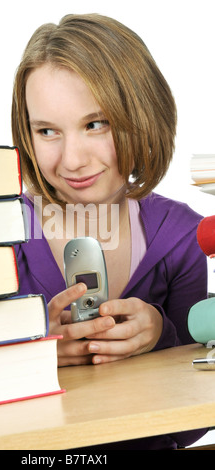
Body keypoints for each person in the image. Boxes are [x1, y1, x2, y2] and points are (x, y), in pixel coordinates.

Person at [11, 13, 208, 450]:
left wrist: (161, 335)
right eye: (47, 131)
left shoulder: (181, 237)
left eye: (95, 124)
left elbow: (191, 426)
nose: (73, 160)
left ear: (142, 115)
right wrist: (28, 356)